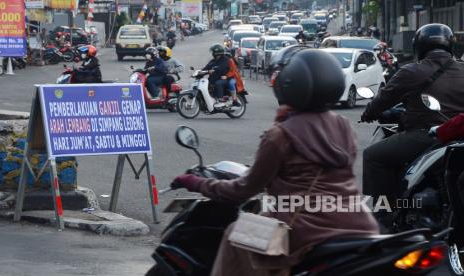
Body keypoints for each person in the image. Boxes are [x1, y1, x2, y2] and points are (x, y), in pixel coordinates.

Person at [172, 48, 379, 276]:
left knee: (234, 232)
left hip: (304, 232)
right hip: (360, 225)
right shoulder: (343, 126)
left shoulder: (280, 135)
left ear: (290, 84)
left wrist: (194, 182)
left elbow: (243, 190)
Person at [361, 23, 464, 208]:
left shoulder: (411, 71)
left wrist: (369, 114)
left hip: (426, 136)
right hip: (459, 136)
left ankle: (385, 211)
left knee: (373, 156)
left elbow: (383, 100)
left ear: (420, 46)